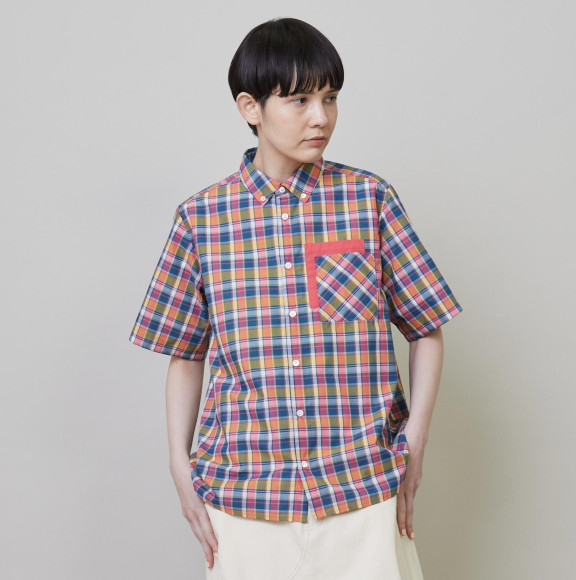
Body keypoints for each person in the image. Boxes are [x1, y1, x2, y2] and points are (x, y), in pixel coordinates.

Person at [129, 17, 463, 580]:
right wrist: (178, 466)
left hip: (361, 486)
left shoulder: (369, 200)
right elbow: (185, 354)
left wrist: (415, 442)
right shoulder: (201, 219)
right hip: (245, 495)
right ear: (250, 108)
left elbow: (426, 326)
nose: (321, 117)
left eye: (330, 98)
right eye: (300, 100)